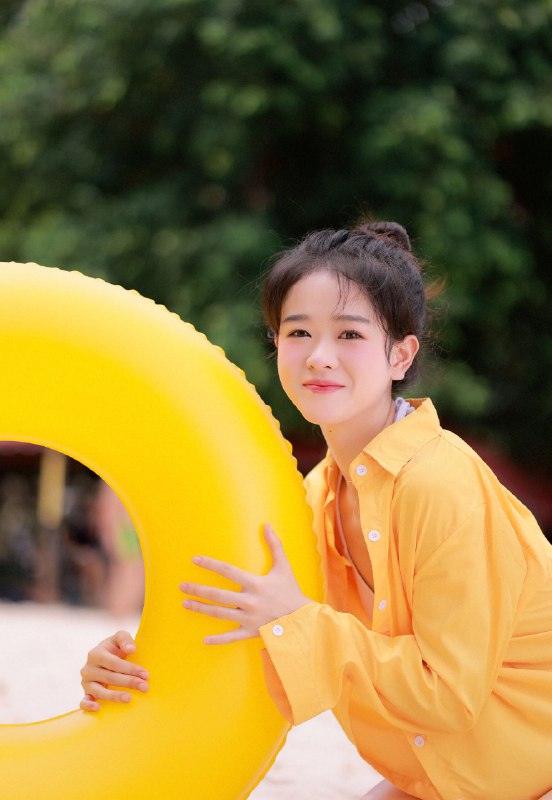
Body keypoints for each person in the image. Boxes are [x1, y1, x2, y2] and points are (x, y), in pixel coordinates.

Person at [80, 221, 552, 799]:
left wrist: (298, 619)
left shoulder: (438, 482)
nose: (319, 357)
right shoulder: (315, 495)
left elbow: (447, 694)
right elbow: (271, 662)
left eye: (350, 334)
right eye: (299, 332)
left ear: (401, 355)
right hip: (444, 779)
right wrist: (132, 670)